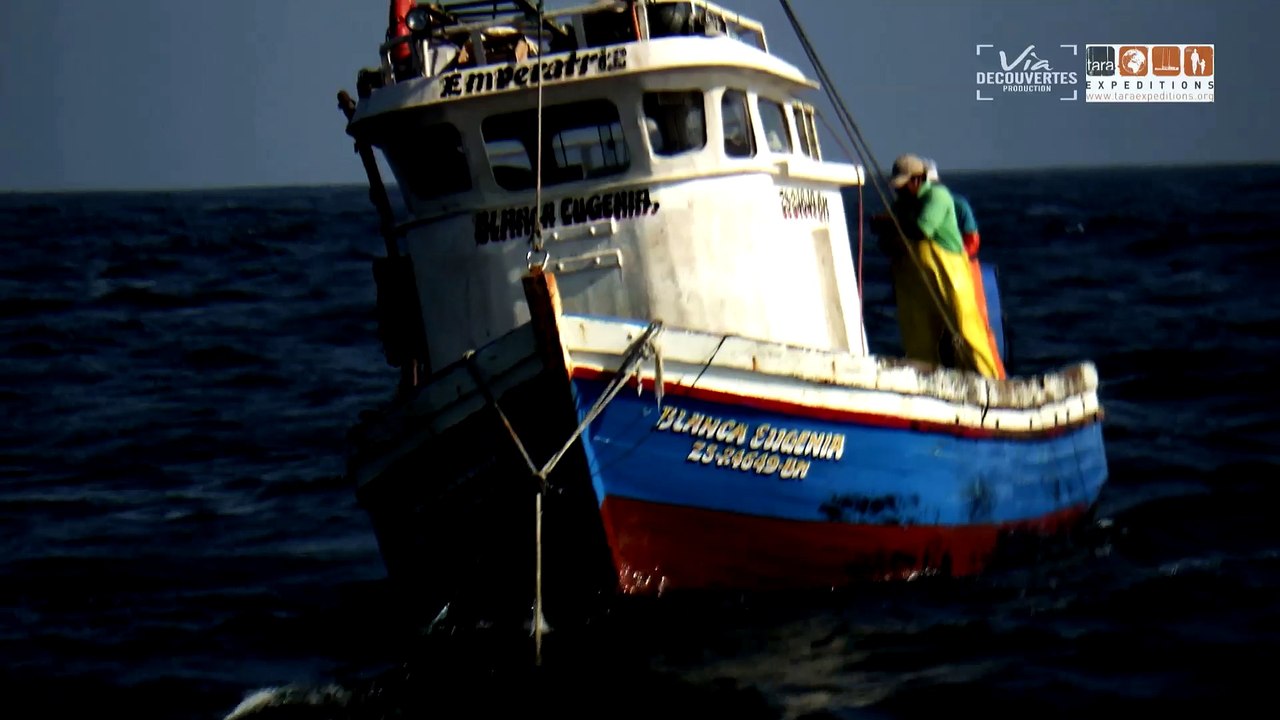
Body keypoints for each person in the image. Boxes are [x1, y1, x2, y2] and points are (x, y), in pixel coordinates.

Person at [871, 154, 1004, 378]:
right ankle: (926, 379)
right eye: (897, 187)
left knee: (965, 328)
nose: (899, 192)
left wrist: (888, 224)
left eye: (903, 186)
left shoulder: (937, 196)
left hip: (949, 273)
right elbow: (889, 241)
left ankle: (989, 379)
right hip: (915, 280)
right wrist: (884, 230)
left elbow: (922, 230)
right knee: (917, 332)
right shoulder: (901, 205)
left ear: (918, 179)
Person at [925, 160, 1006, 377]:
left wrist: (956, 258)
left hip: (964, 271)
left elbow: (972, 240)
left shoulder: (956, 203)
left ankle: (995, 377)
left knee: (977, 325)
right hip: (937, 274)